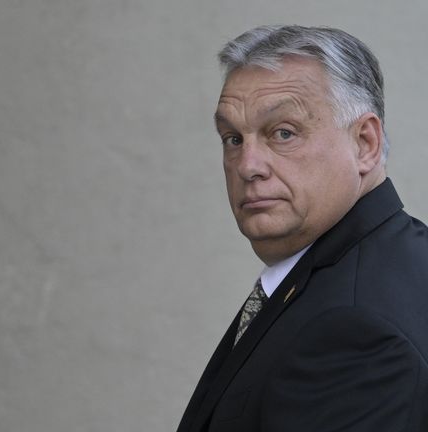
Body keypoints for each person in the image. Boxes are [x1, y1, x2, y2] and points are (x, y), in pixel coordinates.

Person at [176, 25, 428, 431]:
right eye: (232, 138)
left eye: (284, 133)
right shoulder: (392, 262)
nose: (248, 165)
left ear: (365, 143)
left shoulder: (353, 328)